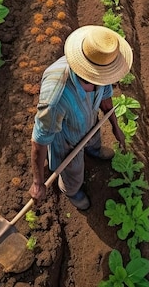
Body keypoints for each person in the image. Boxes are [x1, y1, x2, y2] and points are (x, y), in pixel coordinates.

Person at [29, 25, 133, 211]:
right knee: (73, 172)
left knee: (94, 140)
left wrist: (116, 127)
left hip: (90, 123)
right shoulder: (55, 99)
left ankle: (93, 151)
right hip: (67, 141)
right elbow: (39, 140)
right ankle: (70, 190)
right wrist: (38, 182)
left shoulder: (101, 73)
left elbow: (106, 101)